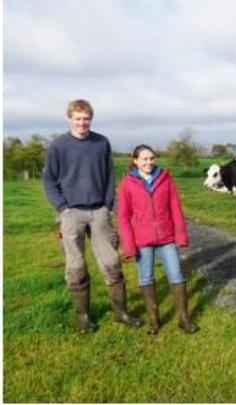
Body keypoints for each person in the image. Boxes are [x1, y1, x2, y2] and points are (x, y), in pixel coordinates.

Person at [43, 99, 141, 333]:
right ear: (70, 119)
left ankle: (121, 312)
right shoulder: (58, 146)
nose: (82, 123)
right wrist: (62, 208)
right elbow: (48, 181)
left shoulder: (101, 143)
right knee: (76, 266)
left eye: (86, 118)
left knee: (112, 263)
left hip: (99, 211)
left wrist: (107, 205)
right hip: (72, 213)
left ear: (91, 119)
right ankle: (83, 317)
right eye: (77, 118)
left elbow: (109, 176)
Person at [117, 144, 199, 334]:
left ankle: (183, 319)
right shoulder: (127, 183)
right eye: (144, 159)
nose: (149, 162)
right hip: (142, 240)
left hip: (166, 238)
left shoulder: (165, 178)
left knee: (177, 275)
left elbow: (175, 208)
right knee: (146, 278)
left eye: (152, 158)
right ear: (135, 160)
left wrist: (181, 236)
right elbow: (123, 217)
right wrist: (129, 246)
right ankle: (154, 320)